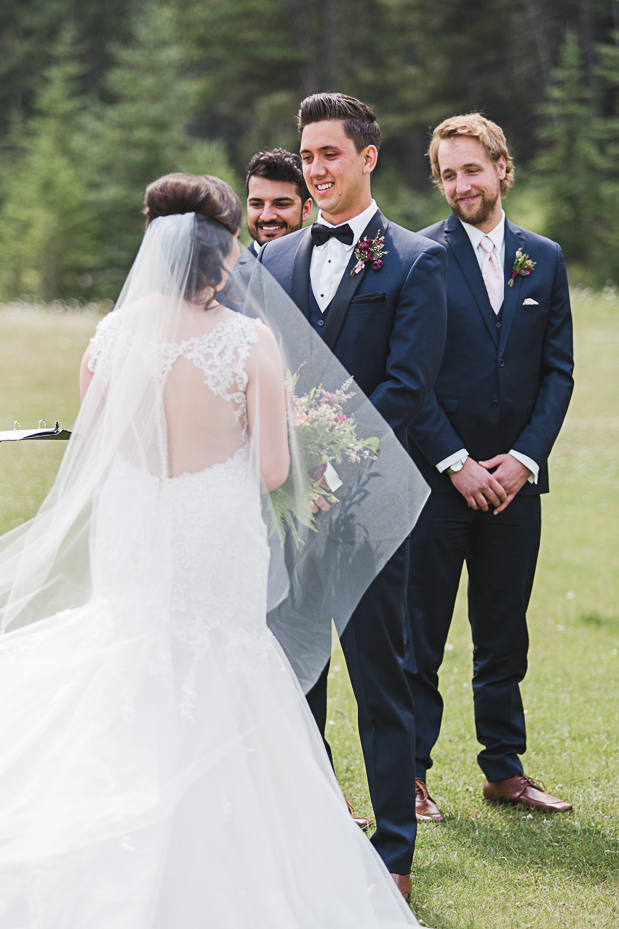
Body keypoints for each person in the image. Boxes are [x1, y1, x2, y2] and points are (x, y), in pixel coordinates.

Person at [0, 172, 423, 927]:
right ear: (223, 256)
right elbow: (269, 469)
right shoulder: (246, 339)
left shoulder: (112, 333)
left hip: (136, 527)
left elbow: (95, 445)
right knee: (221, 669)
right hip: (214, 531)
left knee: (128, 657)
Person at [257, 93, 448, 897]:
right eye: (307, 157)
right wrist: (286, 476)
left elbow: (405, 388)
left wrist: (329, 474)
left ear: (367, 157)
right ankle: (310, 832)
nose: (316, 169)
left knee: (381, 681)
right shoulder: (272, 260)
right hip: (284, 511)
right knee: (293, 676)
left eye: (329, 154)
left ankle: (393, 854)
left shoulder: (415, 260)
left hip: (369, 512)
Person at [406, 114, 574, 822]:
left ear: (502, 169)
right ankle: (409, 774)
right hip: (438, 485)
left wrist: (522, 461)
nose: (458, 184)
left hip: (515, 488)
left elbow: (556, 371)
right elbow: (409, 375)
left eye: (470, 169)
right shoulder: (417, 257)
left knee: (503, 632)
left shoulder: (545, 257)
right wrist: (457, 463)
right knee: (421, 633)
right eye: (446, 173)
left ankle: (503, 769)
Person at [235, 148, 313, 288]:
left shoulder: (323, 268)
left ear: (305, 210)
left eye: (281, 204)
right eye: (257, 204)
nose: (267, 216)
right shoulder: (223, 279)